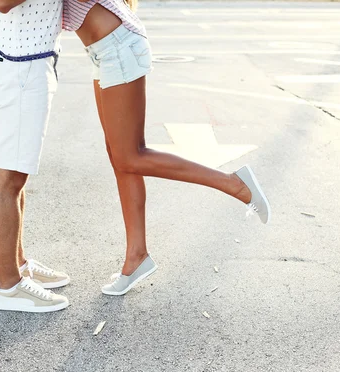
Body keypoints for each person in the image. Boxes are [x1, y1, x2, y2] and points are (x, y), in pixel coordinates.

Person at [62, 0, 271, 296]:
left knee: (130, 155)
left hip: (118, 47)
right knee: (121, 159)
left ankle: (235, 184)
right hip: (104, 50)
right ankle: (137, 257)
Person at [0, 0, 70, 312]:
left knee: (17, 175)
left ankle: (18, 266)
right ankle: (8, 287)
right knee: (7, 179)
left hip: (27, 60)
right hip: (19, 64)